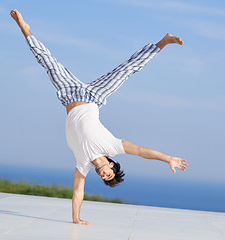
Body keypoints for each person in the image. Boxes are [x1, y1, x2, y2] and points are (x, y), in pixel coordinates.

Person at [10, 9, 188, 225]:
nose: (105, 176)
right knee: (126, 69)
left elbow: (77, 192)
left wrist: (76, 219)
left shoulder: (82, 164)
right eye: (109, 175)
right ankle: (163, 42)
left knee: (47, 62)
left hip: (69, 95)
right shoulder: (112, 147)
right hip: (95, 96)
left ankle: (25, 30)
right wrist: (168, 158)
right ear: (112, 166)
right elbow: (142, 152)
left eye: (105, 179)